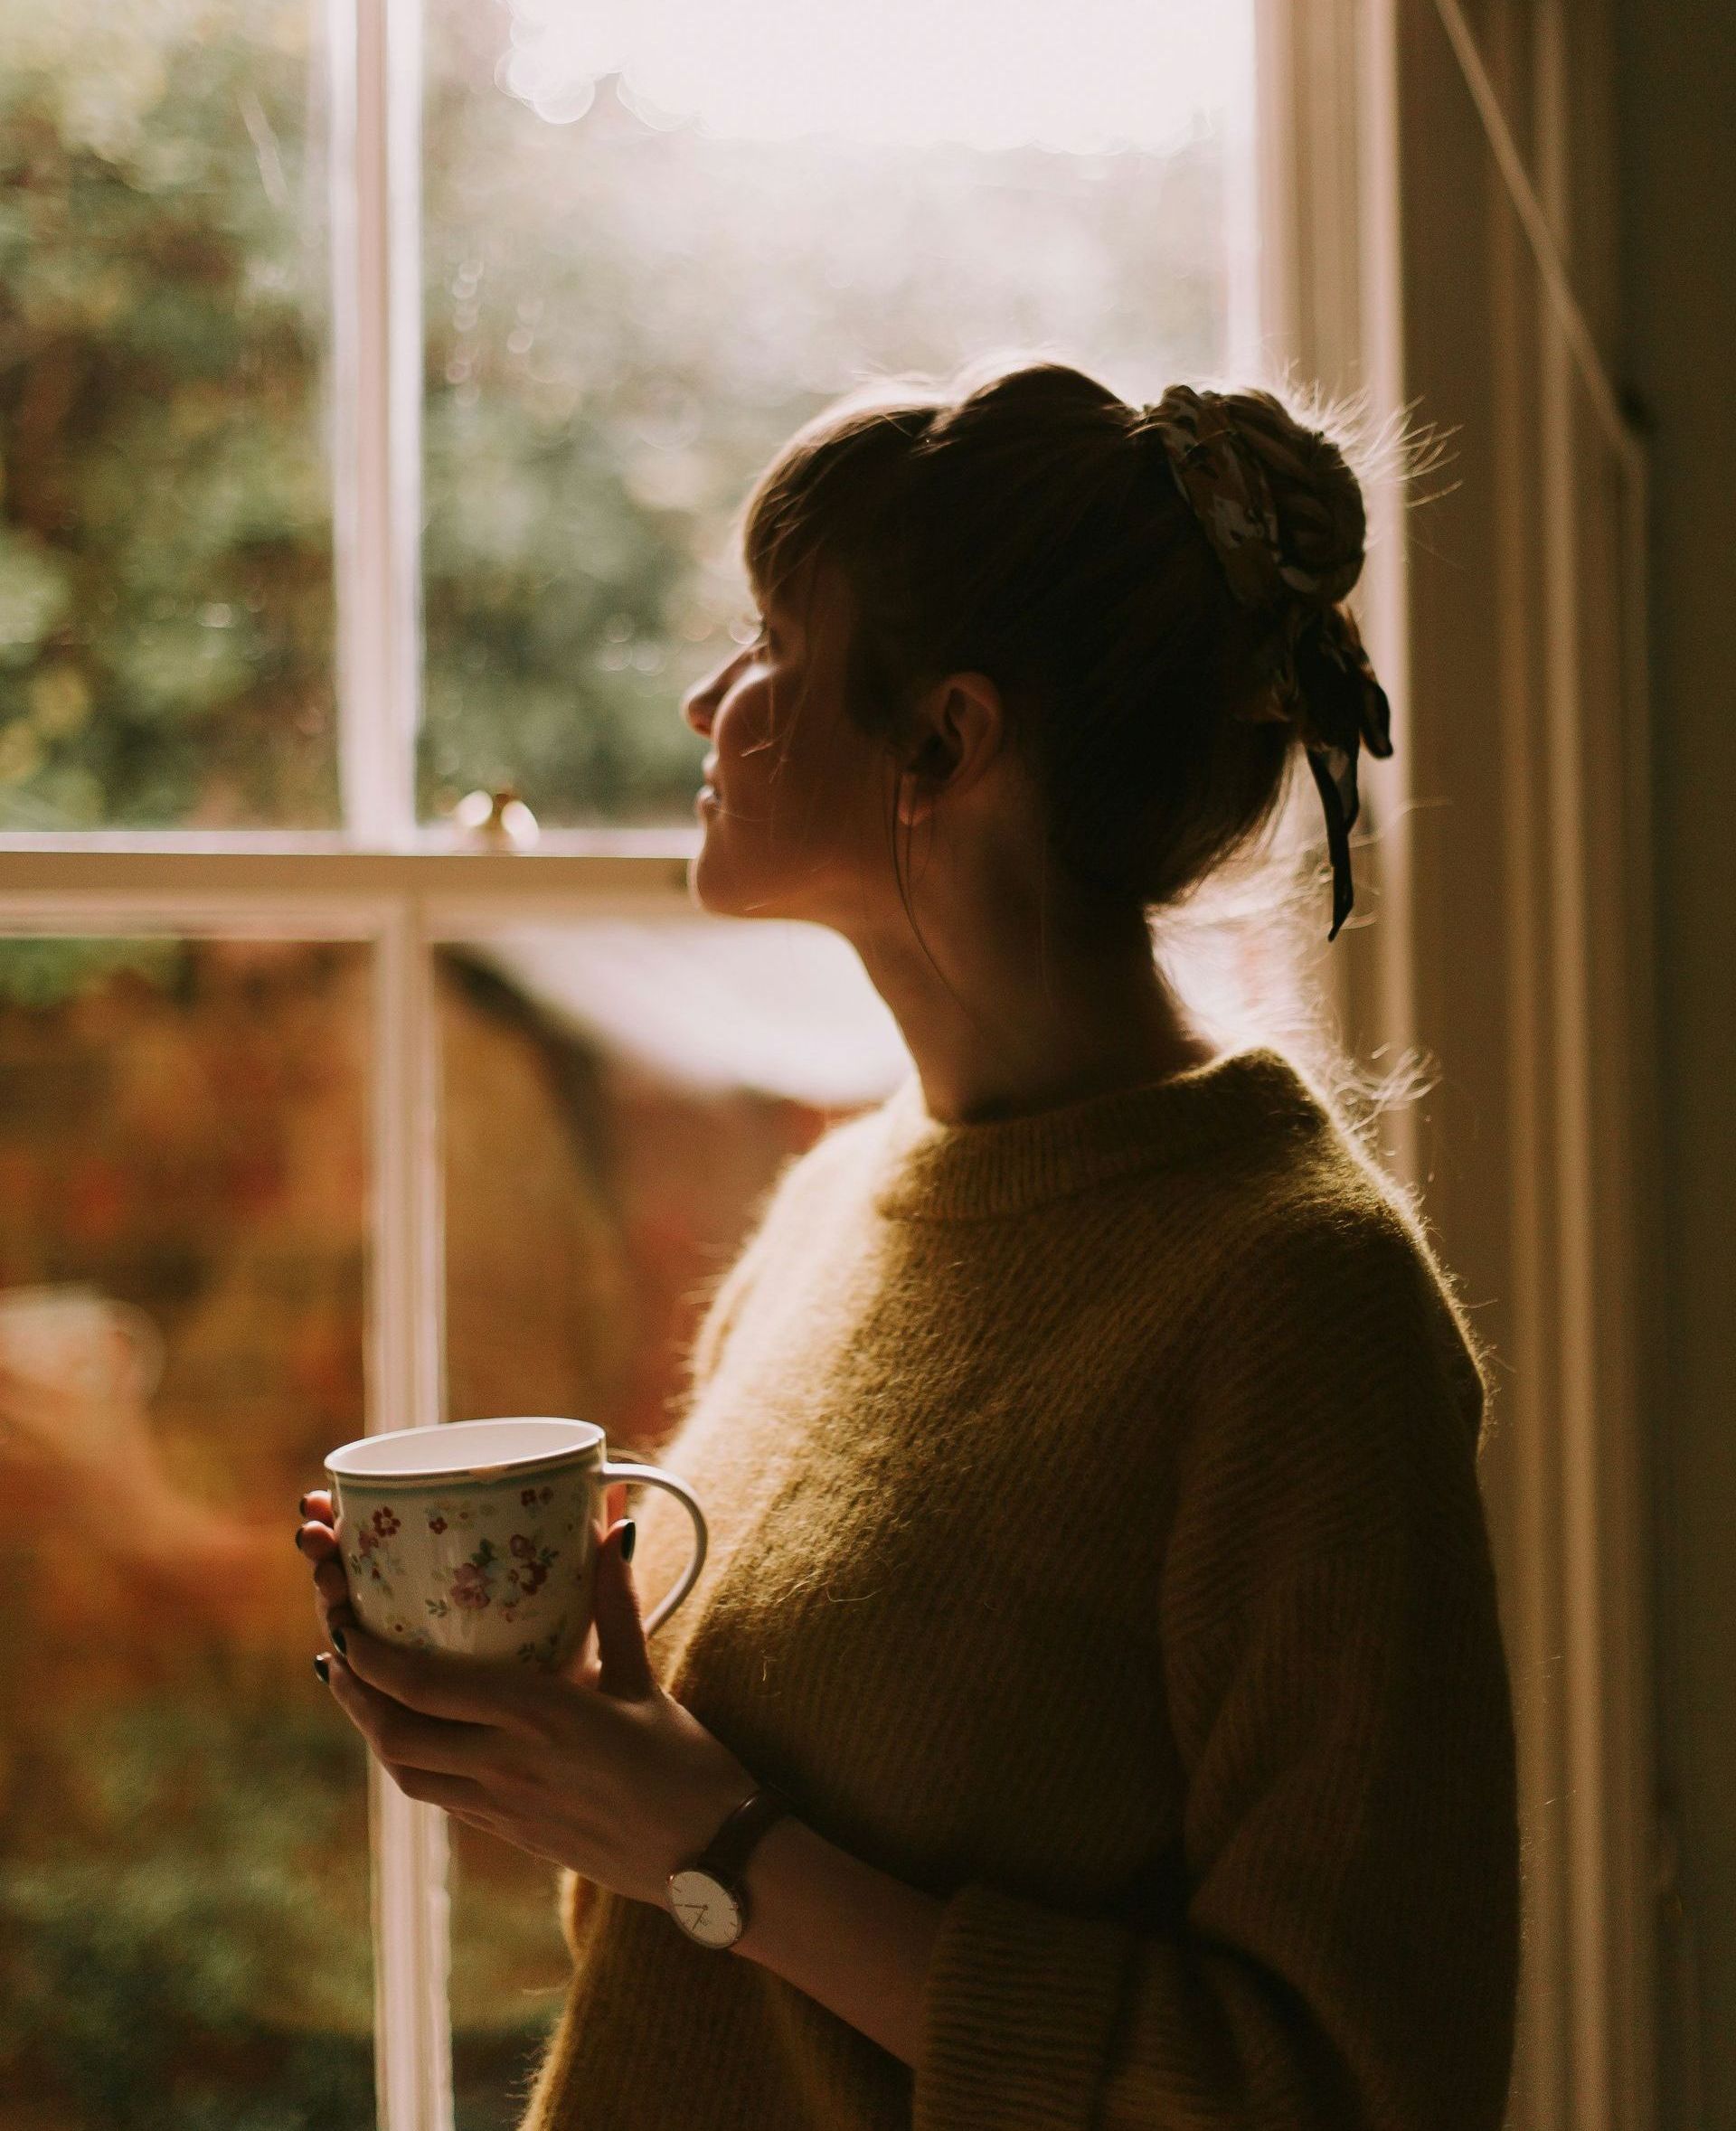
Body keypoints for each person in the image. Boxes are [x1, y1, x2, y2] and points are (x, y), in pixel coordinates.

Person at [297, 360, 1520, 2130]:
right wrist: (549, 1737)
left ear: (944, 743)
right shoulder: (845, 1202)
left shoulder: (1295, 1308)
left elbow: (1348, 2090)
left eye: (772, 644)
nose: (709, 696)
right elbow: (719, 1876)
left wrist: (714, 1846)